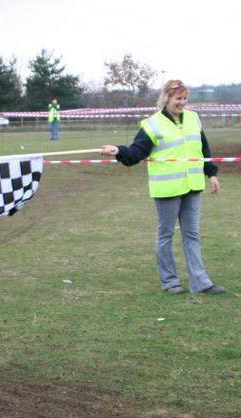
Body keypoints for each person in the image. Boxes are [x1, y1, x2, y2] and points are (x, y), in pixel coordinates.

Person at [100, 79, 225, 295]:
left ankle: (200, 282)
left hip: (192, 186)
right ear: (167, 98)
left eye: (185, 98)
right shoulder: (152, 124)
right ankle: (170, 282)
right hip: (167, 190)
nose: (182, 102)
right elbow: (136, 153)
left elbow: (202, 149)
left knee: (192, 235)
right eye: (178, 98)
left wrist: (211, 173)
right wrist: (118, 151)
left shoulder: (194, 118)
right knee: (166, 235)